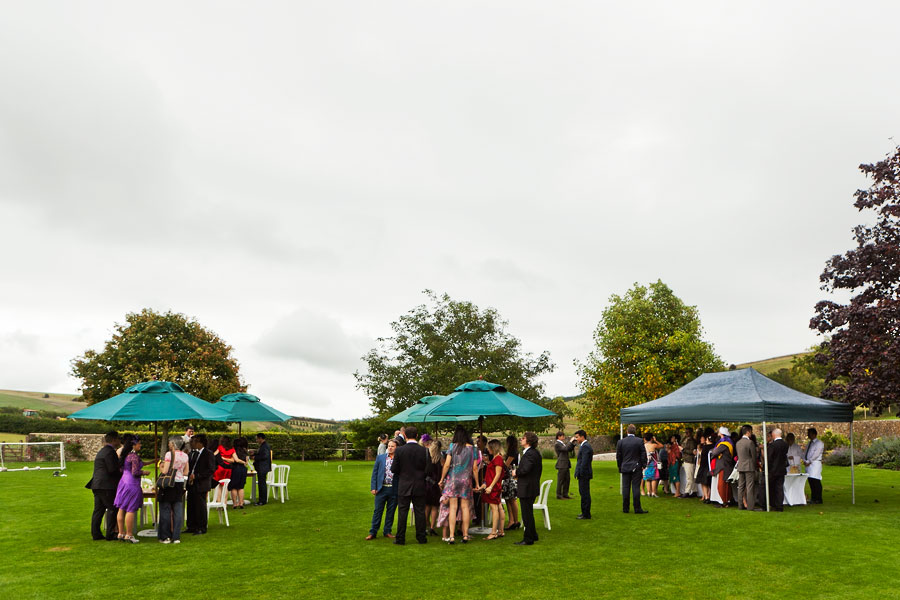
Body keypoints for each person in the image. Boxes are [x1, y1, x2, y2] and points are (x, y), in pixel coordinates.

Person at [438, 426, 480, 544]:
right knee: (465, 507)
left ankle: (451, 536)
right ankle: (465, 535)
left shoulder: (452, 447)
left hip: (453, 479)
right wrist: (477, 483)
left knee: (453, 508)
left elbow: (446, 465)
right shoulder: (473, 449)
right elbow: (475, 468)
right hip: (466, 480)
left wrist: (442, 479)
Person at [391, 425, 428, 545]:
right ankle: (421, 537)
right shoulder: (424, 450)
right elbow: (429, 469)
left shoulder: (400, 450)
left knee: (402, 511)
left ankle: (400, 538)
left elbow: (394, 469)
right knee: (420, 512)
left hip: (404, 484)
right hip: (419, 484)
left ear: (405, 436)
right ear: (417, 436)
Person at [113, 435, 149, 543]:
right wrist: (144, 472)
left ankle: (120, 533)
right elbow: (135, 472)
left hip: (123, 482)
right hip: (132, 483)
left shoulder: (125, 455)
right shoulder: (133, 456)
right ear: (134, 445)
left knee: (121, 508)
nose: (140, 445)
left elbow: (122, 469)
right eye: (139, 443)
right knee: (131, 508)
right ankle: (129, 534)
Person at [88, 431, 121, 541]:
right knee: (112, 509)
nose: (119, 441)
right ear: (113, 440)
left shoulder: (102, 451)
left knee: (99, 510)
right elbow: (112, 469)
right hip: (106, 485)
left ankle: (96, 533)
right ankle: (110, 534)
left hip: (96, 484)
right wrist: (122, 472)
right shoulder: (110, 452)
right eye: (118, 439)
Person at [157, 438, 189, 543]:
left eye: (170, 443)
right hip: (179, 483)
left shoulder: (169, 454)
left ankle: (165, 536)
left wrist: (161, 467)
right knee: (177, 509)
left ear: (174, 444)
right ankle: (176, 536)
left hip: (168, 483)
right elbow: (186, 472)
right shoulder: (185, 456)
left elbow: (165, 471)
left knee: (165, 509)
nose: (169, 444)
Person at [366, 439, 398, 540]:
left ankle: (387, 531)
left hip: (394, 489)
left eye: (392, 446)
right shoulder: (380, 458)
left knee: (391, 511)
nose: (390, 448)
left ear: (397, 448)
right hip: (381, 489)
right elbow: (374, 473)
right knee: (377, 511)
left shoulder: (399, 459)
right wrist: (373, 487)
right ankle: (373, 532)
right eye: (389, 446)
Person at [515, 431, 542, 546]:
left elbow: (525, 469)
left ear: (528, 441)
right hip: (530, 486)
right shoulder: (532, 453)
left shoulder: (530, 454)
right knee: (528, 512)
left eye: (523, 438)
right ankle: (533, 534)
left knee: (526, 514)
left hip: (527, 487)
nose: (521, 439)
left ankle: (528, 538)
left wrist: (515, 472)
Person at [186, 434, 216, 535]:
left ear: (200, 443)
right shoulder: (193, 453)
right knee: (191, 505)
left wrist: (197, 476)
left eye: (194, 442)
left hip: (201, 483)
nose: (192, 444)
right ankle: (191, 526)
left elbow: (211, 469)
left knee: (200, 506)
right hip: (191, 483)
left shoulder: (208, 454)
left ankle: (201, 527)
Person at [616, 424, 648, 514]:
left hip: (625, 467)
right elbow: (643, 453)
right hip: (636, 467)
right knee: (636, 488)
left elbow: (618, 456)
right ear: (635, 431)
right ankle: (637, 508)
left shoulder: (621, 442)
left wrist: (620, 466)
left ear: (627, 431)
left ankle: (625, 508)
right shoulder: (639, 441)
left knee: (625, 488)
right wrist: (644, 464)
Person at [480, 439, 506, 540]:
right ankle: (501, 530)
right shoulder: (496, 458)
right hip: (493, 486)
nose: (487, 449)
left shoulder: (498, 458)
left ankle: (494, 532)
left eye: (489, 447)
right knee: (499, 507)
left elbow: (498, 474)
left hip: (494, 487)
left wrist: (490, 486)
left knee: (494, 508)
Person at [735, 425, 759, 511]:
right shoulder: (750, 443)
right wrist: (755, 466)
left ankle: (740, 505)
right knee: (749, 487)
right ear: (748, 432)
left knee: (740, 486)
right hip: (749, 466)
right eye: (751, 432)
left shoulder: (738, 443)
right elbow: (754, 456)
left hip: (741, 465)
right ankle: (750, 506)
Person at [710, 427, 735, 508]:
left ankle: (724, 502)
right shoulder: (728, 443)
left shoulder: (724, 444)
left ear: (722, 434)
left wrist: (713, 450)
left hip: (723, 466)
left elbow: (714, 452)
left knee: (722, 485)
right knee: (725, 485)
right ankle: (726, 501)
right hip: (726, 465)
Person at [424, 438, 443, 536]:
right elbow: (441, 472)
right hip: (436, 484)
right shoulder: (440, 458)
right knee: (435, 506)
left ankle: (425, 525)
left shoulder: (427, 457)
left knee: (427, 506)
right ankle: (432, 527)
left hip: (427, 484)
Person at [767, 428, 788, 511]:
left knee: (772, 488)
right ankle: (780, 505)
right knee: (780, 488)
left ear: (773, 435)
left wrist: (767, 467)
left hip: (773, 469)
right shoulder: (785, 444)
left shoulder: (773, 445)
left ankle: (773, 504)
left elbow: (769, 458)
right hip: (782, 469)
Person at [502, 435, 521, 531]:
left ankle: (515, 520)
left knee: (512, 499)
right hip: (508, 477)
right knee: (507, 499)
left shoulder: (512, 452)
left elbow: (506, 464)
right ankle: (511, 520)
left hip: (511, 477)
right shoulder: (514, 451)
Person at [573, 429, 593, 519]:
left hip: (584, 474)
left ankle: (586, 514)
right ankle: (584, 512)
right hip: (583, 473)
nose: (576, 439)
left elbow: (584, 462)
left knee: (584, 494)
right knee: (583, 493)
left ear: (582, 436)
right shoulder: (584, 446)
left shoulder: (585, 447)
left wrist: (580, 473)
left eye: (577, 437)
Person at [804, 428, 824, 504]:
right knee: (811, 481)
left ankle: (818, 498)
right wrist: (805, 460)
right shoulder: (809, 443)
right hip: (808, 464)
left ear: (814, 434)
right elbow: (806, 452)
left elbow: (816, 454)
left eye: (809, 433)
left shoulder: (819, 443)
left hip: (815, 463)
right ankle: (813, 497)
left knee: (816, 480)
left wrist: (809, 461)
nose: (808, 435)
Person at [228, 437, 249, 509]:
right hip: (243, 469)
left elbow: (235, 460)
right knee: (241, 487)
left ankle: (235, 503)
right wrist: (244, 463)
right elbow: (247, 461)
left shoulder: (233, 450)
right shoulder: (245, 451)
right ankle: (241, 502)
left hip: (235, 469)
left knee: (233, 487)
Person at [554, 431, 575, 500]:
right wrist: (570, 442)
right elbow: (565, 449)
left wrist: (572, 443)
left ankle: (565, 494)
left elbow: (568, 449)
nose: (564, 437)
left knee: (567, 479)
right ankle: (559, 495)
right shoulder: (557, 444)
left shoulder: (562, 443)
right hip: (561, 464)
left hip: (565, 464)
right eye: (562, 436)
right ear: (559, 437)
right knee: (561, 480)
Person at [252, 433, 272, 506]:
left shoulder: (265, 446)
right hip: (262, 467)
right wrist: (255, 454)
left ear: (261, 438)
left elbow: (264, 456)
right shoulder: (263, 446)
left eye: (257, 439)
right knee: (261, 484)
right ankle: (262, 499)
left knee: (262, 484)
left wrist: (255, 457)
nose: (257, 440)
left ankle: (262, 500)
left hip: (262, 467)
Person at [696, 430, 714, 503]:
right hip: (711, 467)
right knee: (710, 483)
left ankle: (706, 496)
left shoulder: (705, 448)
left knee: (703, 482)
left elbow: (702, 458)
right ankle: (709, 496)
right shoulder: (714, 446)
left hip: (704, 467)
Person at [680, 427, 697, 498]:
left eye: (688, 432)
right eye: (685, 432)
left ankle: (687, 491)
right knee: (690, 476)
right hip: (686, 459)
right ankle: (693, 490)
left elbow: (692, 451)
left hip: (689, 460)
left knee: (689, 477)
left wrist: (683, 449)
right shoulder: (686, 439)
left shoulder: (692, 441)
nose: (686, 434)